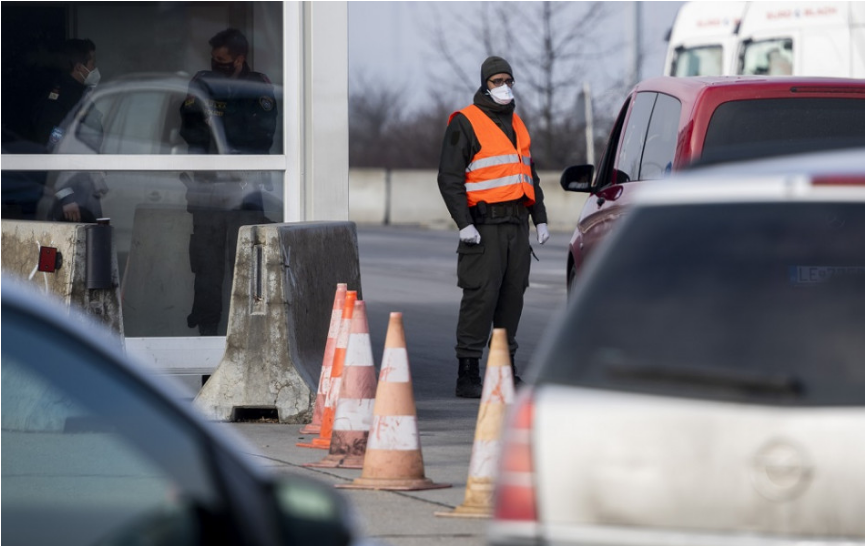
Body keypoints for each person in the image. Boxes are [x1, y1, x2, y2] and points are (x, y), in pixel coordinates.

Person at [437, 56, 549, 398]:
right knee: (480, 297)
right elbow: (449, 177)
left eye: (508, 81)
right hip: (484, 228)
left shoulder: (518, 124)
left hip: (517, 226)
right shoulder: (465, 122)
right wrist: (464, 223)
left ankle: (504, 369)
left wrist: (540, 217)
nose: (504, 87)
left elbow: (529, 175)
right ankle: (467, 373)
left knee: (512, 297)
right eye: (497, 81)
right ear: (485, 83)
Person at [180, 28, 277, 336]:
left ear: (239, 59)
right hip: (207, 191)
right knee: (206, 267)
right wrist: (214, 129)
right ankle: (206, 333)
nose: (216, 62)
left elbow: (262, 136)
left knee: (246, 267)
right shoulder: (202, 82)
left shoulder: (258, 86)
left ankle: (247, 334)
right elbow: (189, 130)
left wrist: (219, 125)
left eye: (222, 59)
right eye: (213, 58)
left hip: (244, 193)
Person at [32, 38, 106, 223]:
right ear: (80, 67)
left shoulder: (81, 95)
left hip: (85, 190)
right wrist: (66, 196)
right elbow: (51, 150)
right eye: (92, 63)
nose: (95, 68)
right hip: (70, 198)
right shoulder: (60, 101)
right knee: (72, 248)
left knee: (93, 246)